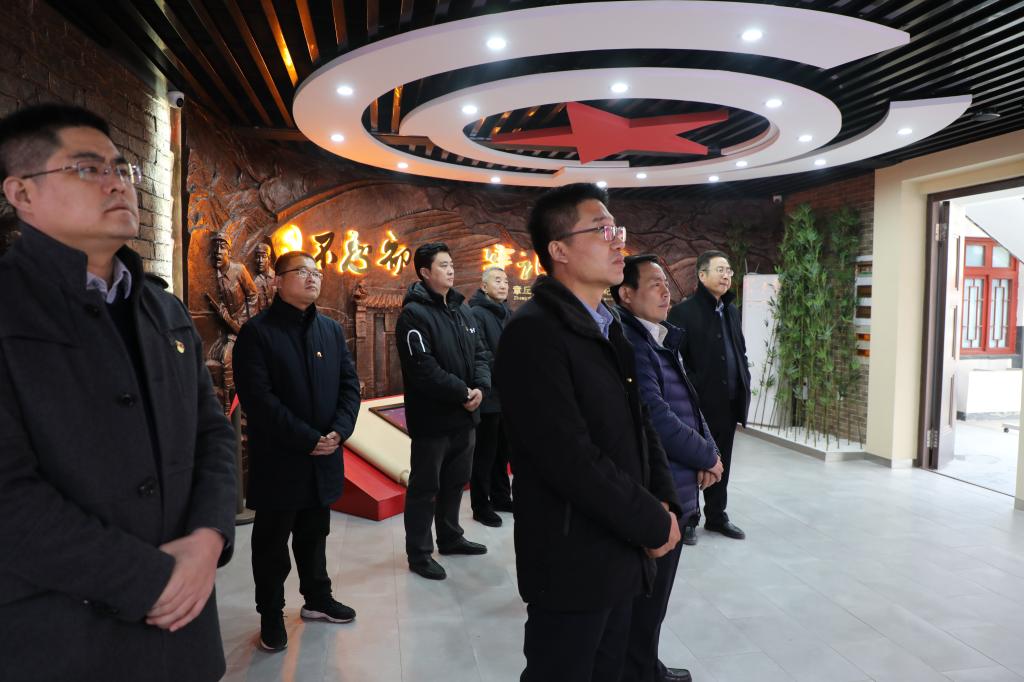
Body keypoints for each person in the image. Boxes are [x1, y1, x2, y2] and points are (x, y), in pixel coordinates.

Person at [0, 104, 236, 681]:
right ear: (21, 193)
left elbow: (212, 434)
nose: (117, 183)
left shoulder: (165, 309)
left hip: (185, 633)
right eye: (87, 169)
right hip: (60, 637)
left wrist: (208, 540)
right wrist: (149, 579)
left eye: (121, 169)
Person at [495, 183, 682, 682]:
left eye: (617, 229)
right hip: (571, 558)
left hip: (621, 548)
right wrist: (651, 520)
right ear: (558, 250)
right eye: (602, 230)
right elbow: (569, 458)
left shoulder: (609, 325)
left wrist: (665, 500)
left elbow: (641, 423)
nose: (618, 242)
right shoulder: (533, 333)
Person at [233, 250, 362, 651]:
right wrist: (308, 438)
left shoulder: (330, 330)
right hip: (281, 459)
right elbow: (259, 399)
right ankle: (271, 613)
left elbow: (349, 385)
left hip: (325, 455)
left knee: (315, 532)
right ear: (277, 280)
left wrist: (339, 431)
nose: (312, 278)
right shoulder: (257, 332)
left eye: (316, 272)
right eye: (302, 271)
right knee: (272, 543)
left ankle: (318, 599)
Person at [612, 254, 724, 682]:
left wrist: (708, 450)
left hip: (679, 483)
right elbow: (657, 416)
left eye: (666, 284)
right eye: (654, 284)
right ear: (626, 294)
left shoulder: (658, 338)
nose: (666, 292)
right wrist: (706, 456)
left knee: (656, 599)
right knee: (646, 599)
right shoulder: (632, 343)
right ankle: (640, 672)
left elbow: (689, 403)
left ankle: (646, 665)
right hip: (659, 491)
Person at [395, 242, 491, 580]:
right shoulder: (413, 315)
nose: (451, 270)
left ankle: (450, 537)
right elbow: (423, 368)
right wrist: (462, 392)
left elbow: (480, 353)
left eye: (452, 264)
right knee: (425, 488)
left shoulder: (462, 310)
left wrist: (480, 387)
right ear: (425, 272)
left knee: (455, 482)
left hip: (465, 417)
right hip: (432, 420)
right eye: (443, 265)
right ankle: (419, 553)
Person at [668, 250, 751, 542]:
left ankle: (717, 516)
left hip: (728, 402)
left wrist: (743, 379)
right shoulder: (683, 312)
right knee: (693, 460)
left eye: (729, 271)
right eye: (720, 270)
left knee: (722, 460)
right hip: (696, 404)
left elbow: (739, 352)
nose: (726, 276)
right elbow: (674, 359)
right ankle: (689, 518)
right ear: (702, 275)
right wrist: (692, 388)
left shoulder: (731, 311)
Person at [468, 266, 512, 527]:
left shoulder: (506, 312)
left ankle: (501, 497)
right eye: (497, 281)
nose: (504, 285)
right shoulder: (476, 313)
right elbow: (481, 353)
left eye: (506, 281)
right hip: (487, 395)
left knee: (502, 453)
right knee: (484, 454)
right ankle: (480, 505)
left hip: (507, 396)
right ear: (484, 286)